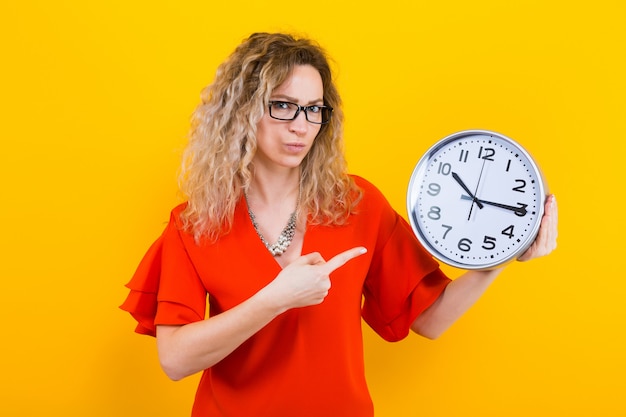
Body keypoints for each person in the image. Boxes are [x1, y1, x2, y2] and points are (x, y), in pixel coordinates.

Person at [121, 32, 558, 417]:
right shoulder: (196, 223)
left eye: (314, 110)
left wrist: (501, 255)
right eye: (283, 106)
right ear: (242, 111)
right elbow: (175, 360)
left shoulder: (357, 205)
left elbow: (431, 319)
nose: (301, 126)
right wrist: (275, 299)